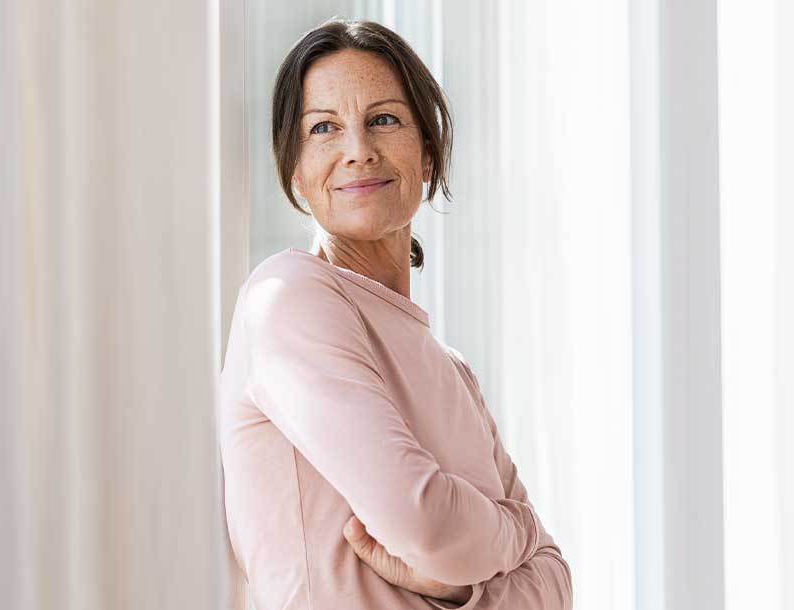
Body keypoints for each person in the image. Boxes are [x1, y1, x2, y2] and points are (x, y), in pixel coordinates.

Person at [217, 19, 572, 610]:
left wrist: (462, 585)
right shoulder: (287, 300)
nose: (359, 150)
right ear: (295, 172)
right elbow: (425, 525)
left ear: (428, 154)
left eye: (383, 119)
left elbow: (555, 586)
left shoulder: (451, 370)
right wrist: (520, 533)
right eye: (324, 128)